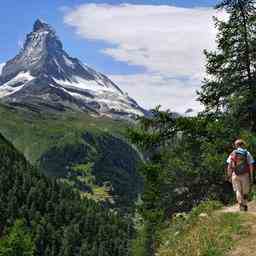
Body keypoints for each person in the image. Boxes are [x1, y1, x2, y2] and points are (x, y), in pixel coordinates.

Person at [227, 139, 254, 211]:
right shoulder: (247, 153)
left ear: (236, 145)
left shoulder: (233, 153)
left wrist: (229, 175)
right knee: (245, 192)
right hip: (245, 174)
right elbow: (251, 165)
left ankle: (240, 204)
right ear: (242, 145)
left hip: (235, 174)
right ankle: (244, 204)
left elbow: (229, 166)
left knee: (238, 191)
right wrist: (251, 176)